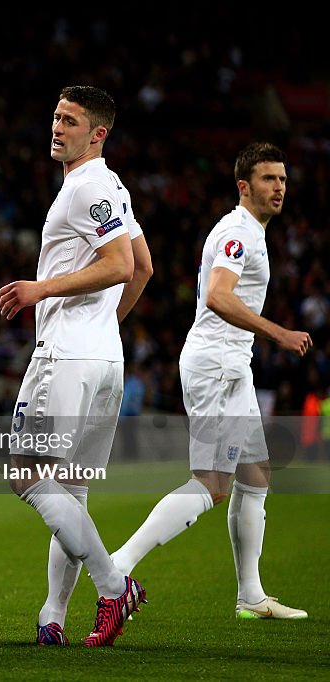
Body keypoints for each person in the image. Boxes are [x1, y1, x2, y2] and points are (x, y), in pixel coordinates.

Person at [110, 142, 311, 620]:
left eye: (282, 179)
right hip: (216, 366)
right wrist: (277, 332)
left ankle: (251, 596)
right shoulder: (238, 232)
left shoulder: (251, 233)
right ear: (244, 186)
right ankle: (117, 566)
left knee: (256, 476)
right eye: (268, 179)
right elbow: (220, 296)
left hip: (231, 366)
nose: (279, 187)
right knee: (213, 483)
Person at [0, 85, 151, 647]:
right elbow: (144, 268)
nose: (57, 127)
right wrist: (106, 324)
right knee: (73, 491)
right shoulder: (112, 187)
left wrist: (42, 289)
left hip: (67, 355)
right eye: (56, 116)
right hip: (103, 355)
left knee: (23, 472)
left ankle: (114, 587)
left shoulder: (87, 189)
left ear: (98, 134)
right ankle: (52, 618)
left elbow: (121, 264)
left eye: (71, 121)